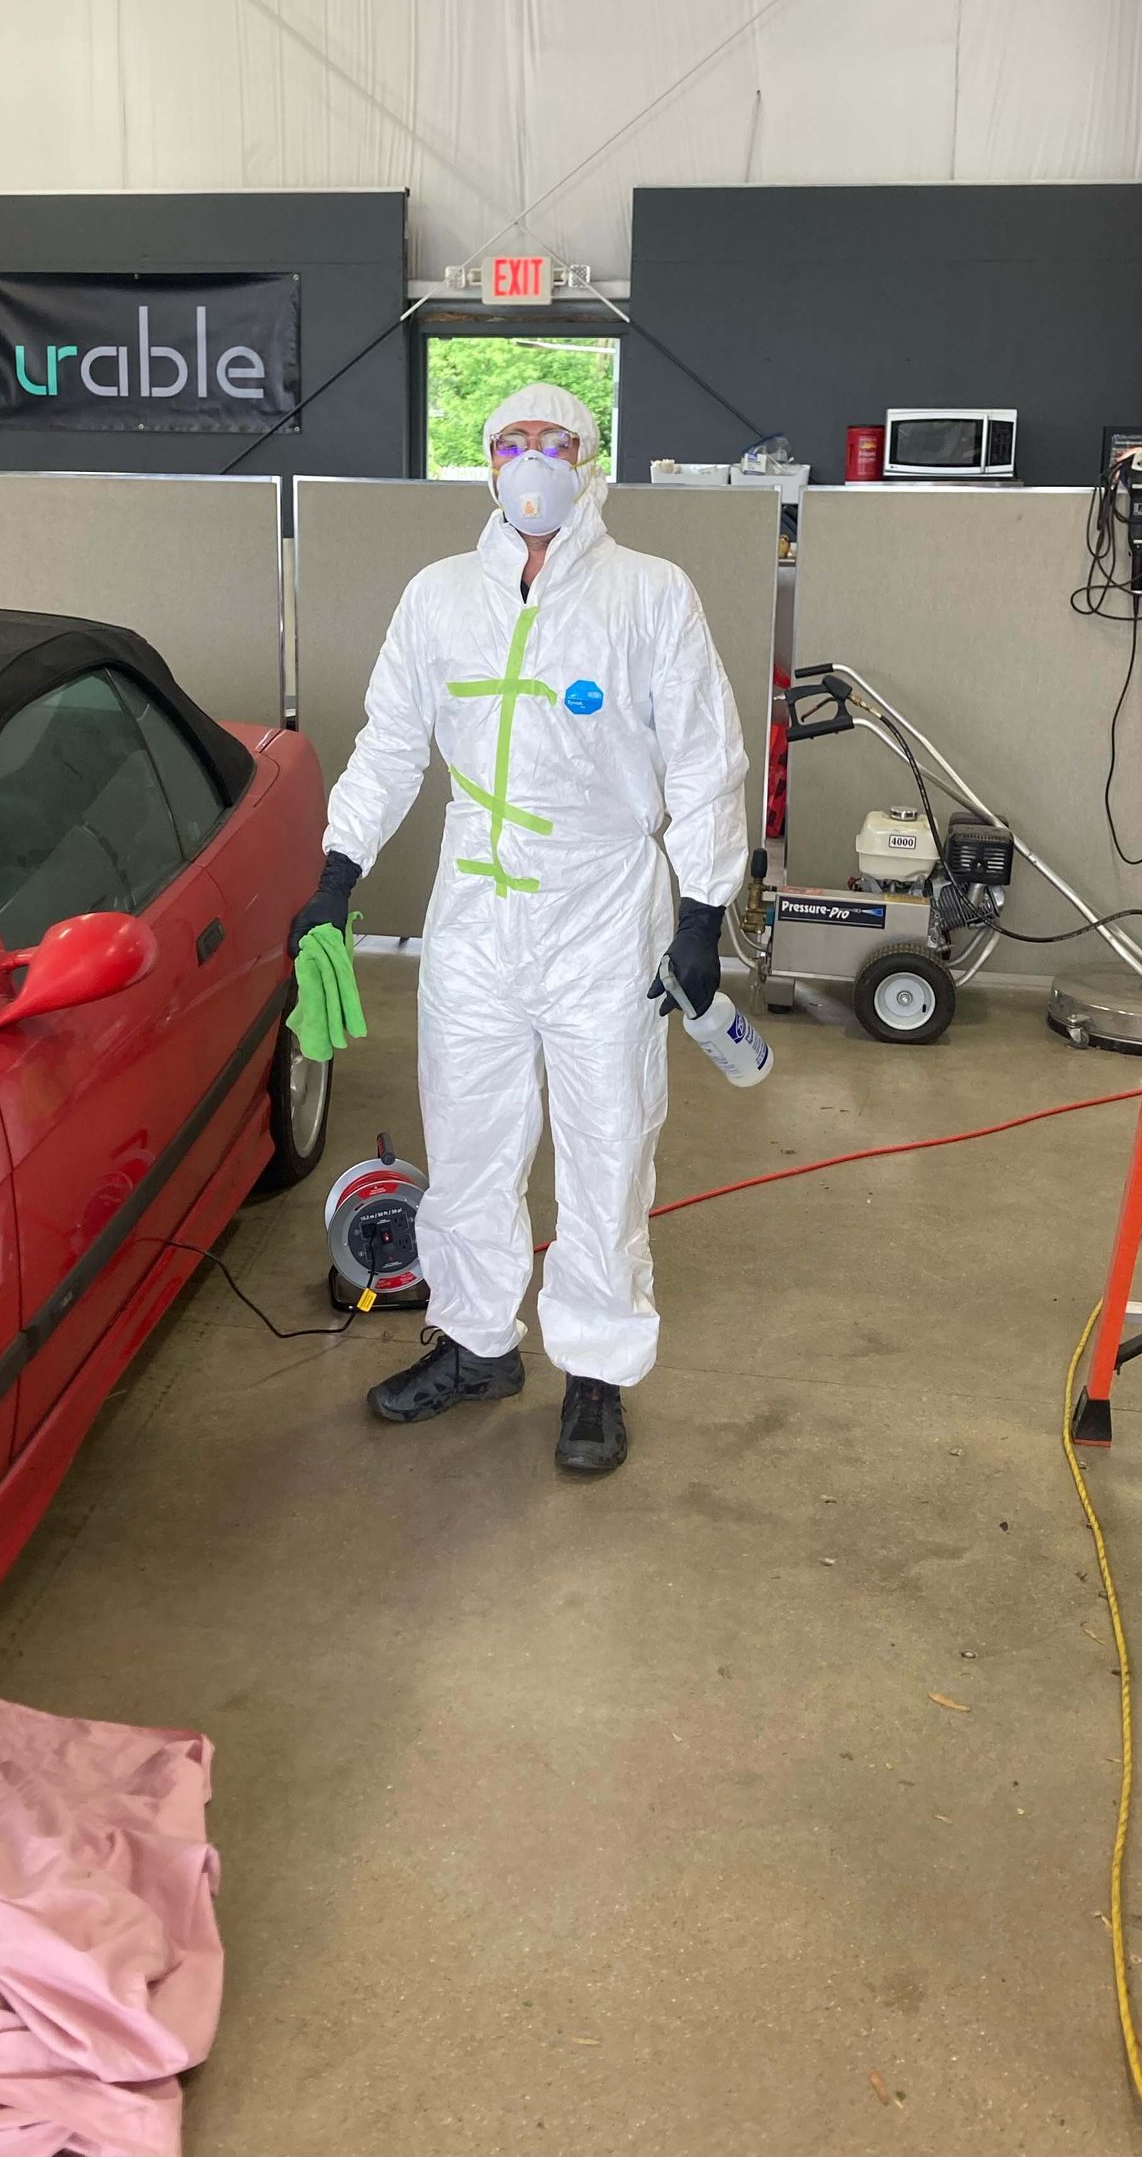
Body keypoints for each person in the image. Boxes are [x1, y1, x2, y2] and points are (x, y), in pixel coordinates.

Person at [290, 382, 748, 1476]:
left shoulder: (650, 594)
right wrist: (336, 869)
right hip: (476, 920)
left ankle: (595, 1370)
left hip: (604, 918)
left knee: (605, 1147)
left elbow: (704, 757)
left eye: (556, 442)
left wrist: (701, 911)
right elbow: (391, 744)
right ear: (487, 461)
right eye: (512, 441)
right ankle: (477, 1341)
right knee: (471, 1144)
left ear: (590, 463)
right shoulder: (441, 597)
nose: (533, 459)